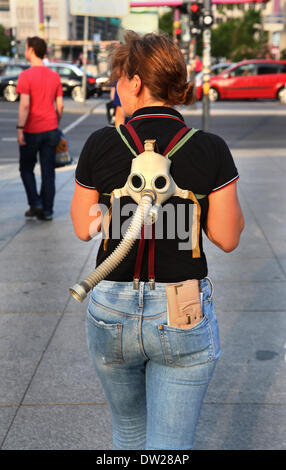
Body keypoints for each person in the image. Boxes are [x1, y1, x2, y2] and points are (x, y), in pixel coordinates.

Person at [70, 32, 244, 450]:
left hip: (111, 305)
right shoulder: (210, 148)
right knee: (170, 447)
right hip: (180, 309)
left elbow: (82, 226)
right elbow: (226, 237)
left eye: (118, 79)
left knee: (129, 432)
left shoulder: (101, 143)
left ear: (133, 82)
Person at [16, 37, 64, 221]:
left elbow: (25, 106)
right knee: (48, 171)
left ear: (30, 50)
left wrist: (20, 129)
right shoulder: (55, 76)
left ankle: (35, 203)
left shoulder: (25, 76)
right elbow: (60, 105)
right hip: (51, 128)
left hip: (31, 130)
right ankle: (47, 211)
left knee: (26, 168)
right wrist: (55, 123)